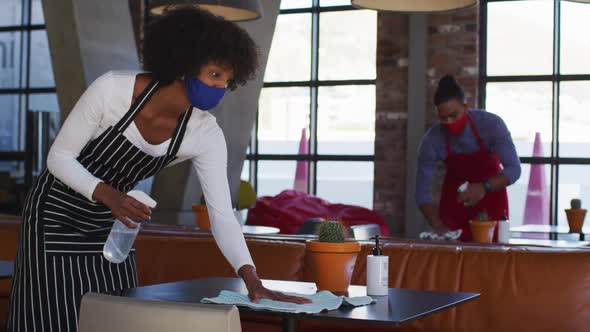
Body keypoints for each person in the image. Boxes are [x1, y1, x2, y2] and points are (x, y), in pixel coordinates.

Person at [7, 7, 309, 332]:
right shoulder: (113, 91)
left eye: (229, 80)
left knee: (114, 319)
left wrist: (252, 279)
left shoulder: (204, 134)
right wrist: (110, 195)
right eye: (215, 75)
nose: (221, 88)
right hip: (56, 218)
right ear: (185, 64)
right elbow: (59, 158)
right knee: (50, 319)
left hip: (112, 229)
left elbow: (222, 215)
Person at [416, 75, 521, 241]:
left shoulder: (491, 125)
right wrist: (438, 225)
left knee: (492, 259)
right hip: (454, 205)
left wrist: (483, 187)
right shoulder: (432, 139)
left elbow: (514, 170)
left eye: (454, 115)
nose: (449, 122)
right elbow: (422, 194)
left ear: (466, 107)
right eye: (444, 118)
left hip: (492, 202)